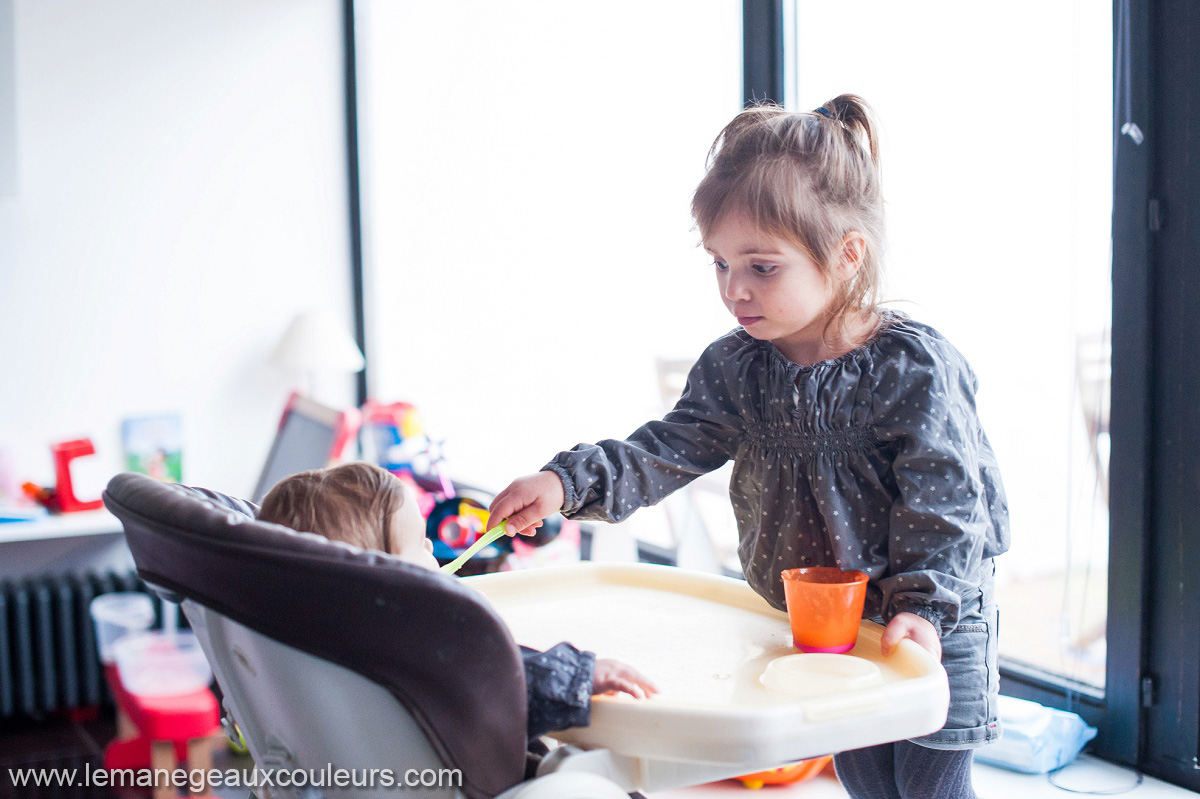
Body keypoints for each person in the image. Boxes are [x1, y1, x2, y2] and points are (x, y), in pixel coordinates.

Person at [487, 95, 1010, 799]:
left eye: (762, 267)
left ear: (848, 255)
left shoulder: (912, 371)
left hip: (932, 619)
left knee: (929, 787)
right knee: (866, 778)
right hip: (830, 627)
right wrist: (565, 483)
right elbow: (664, 449)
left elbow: (950, 507)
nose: (735, 289)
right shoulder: (738, 368)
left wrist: (925, 607)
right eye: (721, 264)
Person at [257, 462, 658, 748]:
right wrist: (583, 675)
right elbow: (499, 682)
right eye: (417, 542)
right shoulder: (409, 644)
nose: (431, 545)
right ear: (376, 579)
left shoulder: (307, 640)